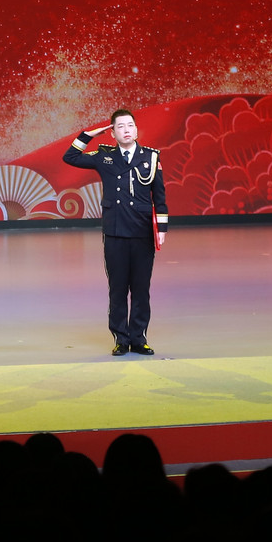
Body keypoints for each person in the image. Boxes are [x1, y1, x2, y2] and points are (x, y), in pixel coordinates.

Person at [62, 108, 168, 356]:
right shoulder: (104, 157)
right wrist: (89, 135)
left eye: (130, 125)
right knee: (118, 289)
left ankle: (139, 338)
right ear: (112, 133)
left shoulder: (151, 157)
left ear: (136, 129)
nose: (126, 130)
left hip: (142, 232)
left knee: (141, 289)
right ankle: (121, 339)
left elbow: (160, 197)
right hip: (115, 232)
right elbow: (70, 157)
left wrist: (161, 228)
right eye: (120, 126)